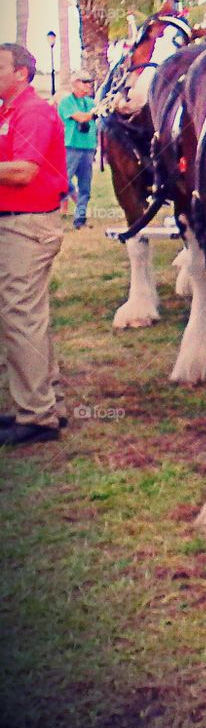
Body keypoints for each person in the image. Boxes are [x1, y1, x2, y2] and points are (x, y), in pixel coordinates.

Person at [0, 43, 69, 446]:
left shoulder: (32, 112)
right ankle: (43, 405)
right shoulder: (12, 111)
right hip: (21, 225)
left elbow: (24, 171)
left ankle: (37, 415)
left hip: (25, 226)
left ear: (21, 73)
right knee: (29, 317)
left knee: (21, 318)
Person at [58, 73, 97, 228]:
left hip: (88, 147)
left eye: (90, 81)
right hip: (71, 146)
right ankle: (59, 209)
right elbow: (80, 118)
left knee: (85, 186)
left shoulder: (91, 102)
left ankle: (80, 219)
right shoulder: (66, 102)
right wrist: (97, 112)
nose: (89, 85)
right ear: (74, 84)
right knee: (63, 181)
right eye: (85, 82)